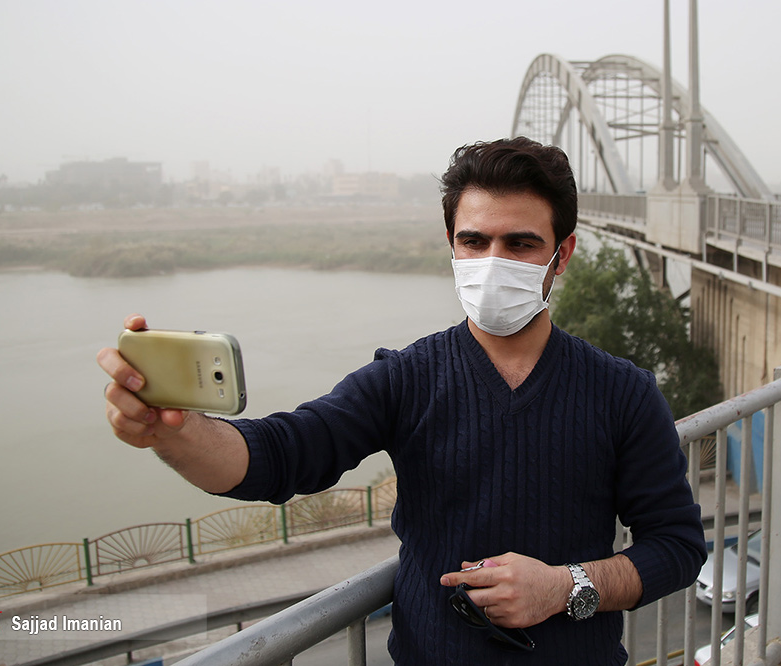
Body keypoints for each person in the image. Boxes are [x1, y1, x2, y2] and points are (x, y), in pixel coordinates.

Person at [98, 137, 706, 664]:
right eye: (474, 241)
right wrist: (174, 432)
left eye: (520, 244)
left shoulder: (622, 393)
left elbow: (677, 546)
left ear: (561, 254)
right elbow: (281, 455)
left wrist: (565, 587)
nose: (492, 262)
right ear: (451, 245)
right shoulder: (406, 378)